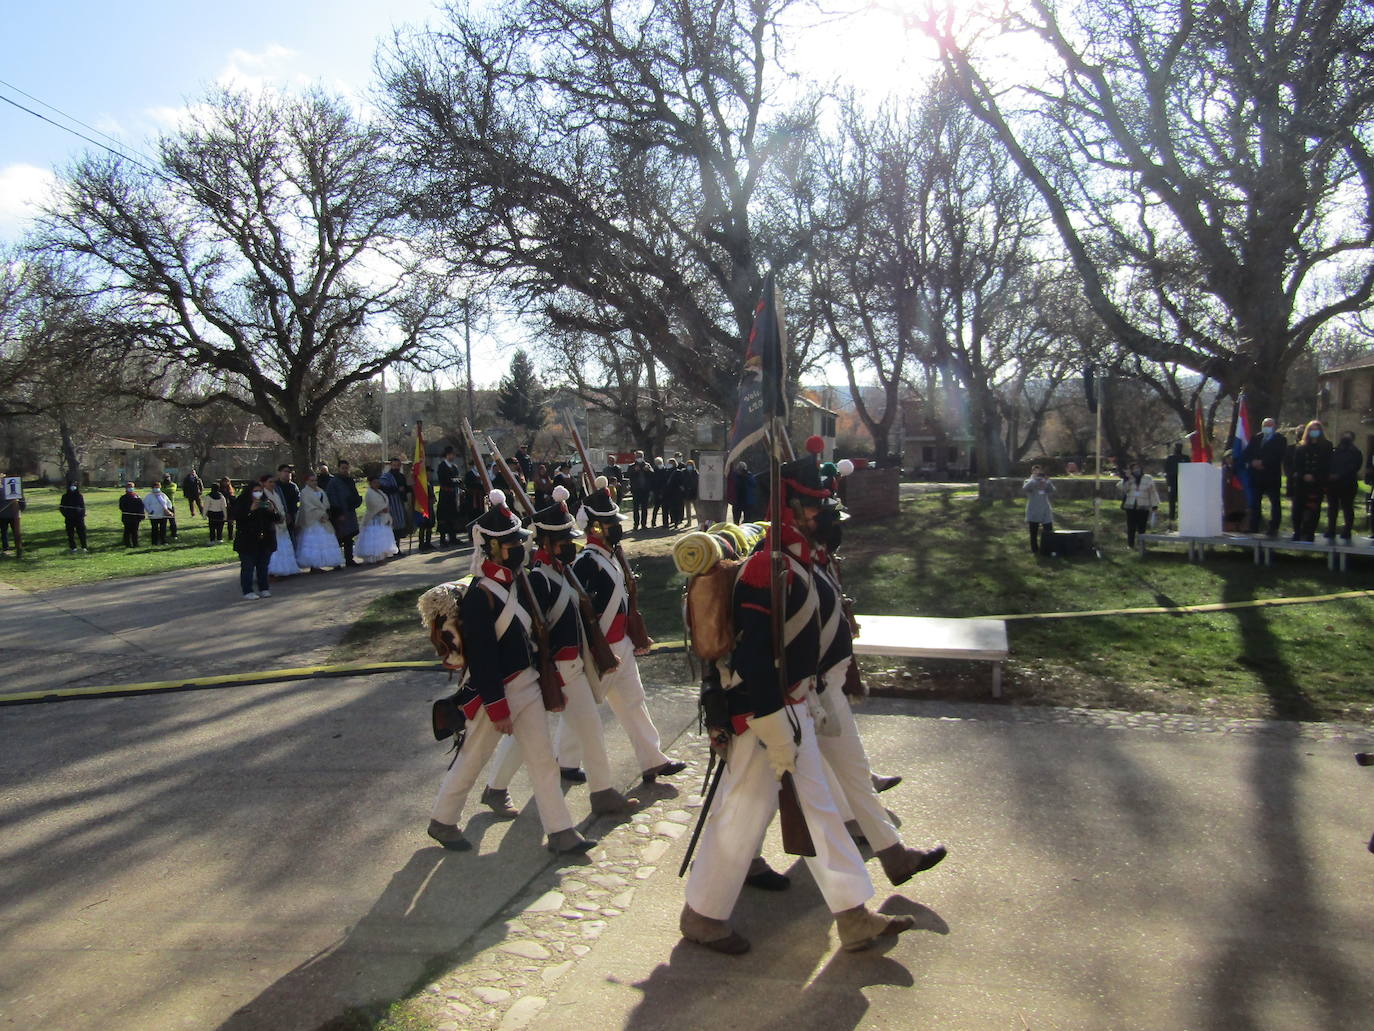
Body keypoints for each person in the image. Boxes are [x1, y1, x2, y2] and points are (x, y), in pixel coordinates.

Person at [680, 441, 916, 955]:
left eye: (823, 503)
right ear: (787, 509)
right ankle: (701, 917)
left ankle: (853, 916)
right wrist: (770, 723)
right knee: (742, 818)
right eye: (812, 505)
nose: (822, 512)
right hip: (765, 715)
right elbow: (754, 659)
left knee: (817, 812)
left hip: (792, 707)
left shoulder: (803, 560)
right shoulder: (769, 570)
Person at [427, 494, 597, 856]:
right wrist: (497, 705)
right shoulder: (480, 597)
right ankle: (442, 820)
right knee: (472, 759)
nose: (521, 547)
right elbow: (484, 658)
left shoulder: (519, 584)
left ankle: (561, 831)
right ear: (493, 548)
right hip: (496, 693)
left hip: (528, 685)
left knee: (543, 762)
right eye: (512, 543)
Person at [810, 460, 947, 886]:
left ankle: (893, 856)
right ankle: (728, 883)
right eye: (829, 517)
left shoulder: (816, 562)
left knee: (853, 774)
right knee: (749, 805)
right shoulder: (791, 570)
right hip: (805, 698)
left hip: (824, 691)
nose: (837, 526)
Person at [480, 486, 634, 819]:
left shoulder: (563, 571)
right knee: (545, 735)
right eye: (564, 541)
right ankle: (599, 794)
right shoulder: (538, 579)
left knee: (561, 733)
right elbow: (527, 627)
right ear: (547, 543)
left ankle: (498, 788)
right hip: (555, 667)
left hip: (572, 664)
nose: (571, 545)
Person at [571, 479, 687, 783]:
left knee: (634, 702)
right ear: (595, 527)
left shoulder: (611, 556)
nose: (615, 527)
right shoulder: (585, 562)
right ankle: (565, 762)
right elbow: (580, 611)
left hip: (620, 642)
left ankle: (653, 760)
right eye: (609, 523)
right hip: (600, 648)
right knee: (581, 711)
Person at [234, 474, 281, 599]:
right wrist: (250, 510)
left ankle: (264, 588)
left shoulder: (266, 502)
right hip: (247, 540)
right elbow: (238, 518)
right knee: (248, 567)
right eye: (255, 491)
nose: (258, 494)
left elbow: (278, 519)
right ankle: (247, 590)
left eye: (260, 491)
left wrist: (273, 511)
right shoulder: (242, 501)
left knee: (263, 566)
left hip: (265, 540)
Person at [1243, 417, 1286, 536]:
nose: (1267, 428)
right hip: (1256, 477)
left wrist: (1263, 463)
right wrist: (1252, 462)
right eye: (1265, 425)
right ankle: (1254, 526)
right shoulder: (1256, 438)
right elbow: (1247, 453)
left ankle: (1273, 527)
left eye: (1269, 426)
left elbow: (1279, 456)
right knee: (1255, 503)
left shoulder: (1280, 439)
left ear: (1274, 427)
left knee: (1275, 503)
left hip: (1271, 476)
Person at [1290, 420, 1331, 542]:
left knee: (1314, 508)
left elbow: (1327, 465)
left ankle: (1310, 533)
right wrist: (1303, 475)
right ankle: (1297, 532)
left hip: (1317, 483)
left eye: (1316, 429)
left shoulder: (1327, 446)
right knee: (1297, 508)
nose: (1314, 432)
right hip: (1301, 483)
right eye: (1312, 429)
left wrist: (1316, 476)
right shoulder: (1301, 447)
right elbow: (1296, 465)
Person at [295, 470, 344, 570]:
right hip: (313, 521)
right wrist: (320, 514)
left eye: (315, 480)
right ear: (307, 482)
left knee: (328, 540)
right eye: (312, 480)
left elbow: (326, 503)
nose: (314, 482)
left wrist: (325, 514)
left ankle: (334, 562)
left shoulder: (320, 490)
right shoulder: (305, 492)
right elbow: (308, 507)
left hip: (324, 519)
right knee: (315, 543)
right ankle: (315, 566)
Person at [1325, 430, 1362, 542]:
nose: (1345, 438)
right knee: (1332, 508)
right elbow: (1329, 464)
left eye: (1348, 436)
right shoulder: (1334, 451)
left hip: (1348, 484)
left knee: (1347, 508)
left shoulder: (1356, 452)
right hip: (1333, 485)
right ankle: (1331, 530)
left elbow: (1354, 467)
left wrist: (1339, 475)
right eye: (1344, 435)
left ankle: (1347, 531)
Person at [265, 473, 304, 577]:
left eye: (273, 482)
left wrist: (285, 515)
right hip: (272, 524)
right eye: (270, 482)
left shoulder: (276, 493)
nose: (272, 484)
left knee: (284, 546)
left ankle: (285, 569)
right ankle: (271, 572)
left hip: (282, 523)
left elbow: (281, 505)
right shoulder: (263, 494)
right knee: (274, 549)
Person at [324, 460, 362, 566]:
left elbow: (355, 493)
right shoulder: (333, 482)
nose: (345, 470)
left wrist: (357, 501)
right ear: (338, 468)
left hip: (350, 511)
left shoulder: (350, 480)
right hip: (340, 513)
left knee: (349, 537)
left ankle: (349, 559)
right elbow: (332, 498)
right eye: (343, 468)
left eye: (346, 468)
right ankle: (336, 561)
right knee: (339, 538)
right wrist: (338, 513)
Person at [355, 473, 399, 563]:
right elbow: (371, 505)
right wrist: (380, 510)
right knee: (374, 538)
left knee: (382, 538)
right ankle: (372, 557)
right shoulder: (369, 493)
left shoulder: (380, 492)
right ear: (370, 483)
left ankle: (381, 556)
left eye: (378, 482)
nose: (377, 484)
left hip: (383, 517)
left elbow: (385, 502)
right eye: (375, 482)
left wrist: (386, 509)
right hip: (373, 518)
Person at [1118, 462, 1160, 548]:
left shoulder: (1148, 478)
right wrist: (1127, 479)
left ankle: (1141, 545)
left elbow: (1152, 492)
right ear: (1131, 470)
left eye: (1138, 468)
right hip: (1131, 506)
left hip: (1143, 506)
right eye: (1134, 468)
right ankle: (1130, 545)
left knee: (1142, 527)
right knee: (1131, 527)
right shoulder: (1129, 478)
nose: (1136, 470)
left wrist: (1154, 505)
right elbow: (1122, 488)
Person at [379, 456, 411, 552]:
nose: (396, 467)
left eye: (398, 465)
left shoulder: (401, 476)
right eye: (394, 465)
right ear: (390, 466)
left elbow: (405, 488)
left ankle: (397, 548)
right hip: (390, 505)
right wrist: (396, 489)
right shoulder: (386, 477)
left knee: (399, 528)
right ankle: (390, 549)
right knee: (391, 528)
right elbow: (383, 489)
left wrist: (409, 488)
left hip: (400, 504)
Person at [1022, 465, 1055, 555]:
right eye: (1035, 471)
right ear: (1032, 472)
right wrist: (1034, 480)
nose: (1037, 473)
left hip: (1045, 508)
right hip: (1034, 509)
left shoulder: (1044, 481)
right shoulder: (1028, 481)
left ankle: (1048, 549)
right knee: (1034, 531)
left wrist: (1047, 481)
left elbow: (1052, 490)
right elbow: (1025, 489)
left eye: (1039, 471)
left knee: (1048, 529)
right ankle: (1035, 550)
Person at [433, 446, 463, 547]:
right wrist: (454, 480)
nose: (452, 456)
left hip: (453, 494)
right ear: (446, 455)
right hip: (445, 494)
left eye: (453, 454)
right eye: (450, 454)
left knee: (453, 516)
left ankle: (453, 537)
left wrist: (455, 481)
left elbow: (459, 479)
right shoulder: (442, 466)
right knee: (444, 516)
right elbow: (444, 480)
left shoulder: (454, 467)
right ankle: (442, 539)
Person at [59, 482, 88, 553]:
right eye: (71, 486)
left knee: (81, 533)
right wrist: (66, 514)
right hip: (69, 518)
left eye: (74, 486)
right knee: (70, 534)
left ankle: (84, 547)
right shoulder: (65, 496)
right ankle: (73, 547)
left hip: (79, 518)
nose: (73, 487)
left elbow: (82, 507)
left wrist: (81, 514)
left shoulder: (79, 496)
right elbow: (61, 508)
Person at [628, 452, 654, 530]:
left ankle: (644, 524)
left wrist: (648, 470)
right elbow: (628, 475)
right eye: (637, 456)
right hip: (636, 490)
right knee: (636, 508)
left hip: (645, 490)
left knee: (644, 508)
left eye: (640, 456)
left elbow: (653, 474)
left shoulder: (647, 465)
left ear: (643, 457)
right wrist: (634, 471)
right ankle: (636, 524)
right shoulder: (632, 466)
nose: (639, 458)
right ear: (635, 457)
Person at [1163, 443, 1187, 524]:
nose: (1178, 448)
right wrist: (1168, 482)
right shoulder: (1170, 458)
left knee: (1183, 501)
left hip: (1183, 483)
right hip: (1172, 482)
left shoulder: (1185, 458)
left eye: (1180, 447)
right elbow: (1166, 470)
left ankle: (1183, 518)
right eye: (1177, 447)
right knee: (1172, 501)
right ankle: (1171, 518)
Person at [144, 481, 173, 546]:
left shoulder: (163, 495)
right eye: (155, 487)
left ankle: (163, 541)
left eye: (158, 487)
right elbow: (146, 504)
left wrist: (168, 510)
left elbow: (168, 503)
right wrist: (150, 511)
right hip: (154, 515)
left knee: (163, 529)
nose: (157, 488)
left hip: (163, 515)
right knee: (155, 529)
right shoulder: (149, 496)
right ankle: (154, 542)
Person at [0, 485, 26, 552]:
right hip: (4, 515)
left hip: (11, 515)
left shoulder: (17, 490)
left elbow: (22, 502)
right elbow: (23, 502)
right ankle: (6, 547)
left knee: (8, 532)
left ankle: (15, 547)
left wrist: (20, 509)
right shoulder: (16, 489)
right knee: (5, 532)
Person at [118, 482, 144, 547]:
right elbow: (122, 507)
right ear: (126, 488)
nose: (130, 488)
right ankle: (127, 544)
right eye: (129, 487)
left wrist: (141, 514)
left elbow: (141, 506)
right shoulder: (123, 498)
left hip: (136, 517)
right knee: (127, 531)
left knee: (135, 531)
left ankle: (135, 544)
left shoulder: (137, 497)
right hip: (127, 517)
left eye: (131, 487)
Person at [680, 459, 700, 528]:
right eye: (688, 465)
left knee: (697, 508)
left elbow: (698, 482)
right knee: (688, 509)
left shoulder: (695, 472)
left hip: (694, 492)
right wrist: (682, 487)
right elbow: (681, 481)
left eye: (690, 465)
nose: (689, 466)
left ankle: (699, 522)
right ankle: (689, 522)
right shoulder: (683, 472)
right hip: (686, 492)